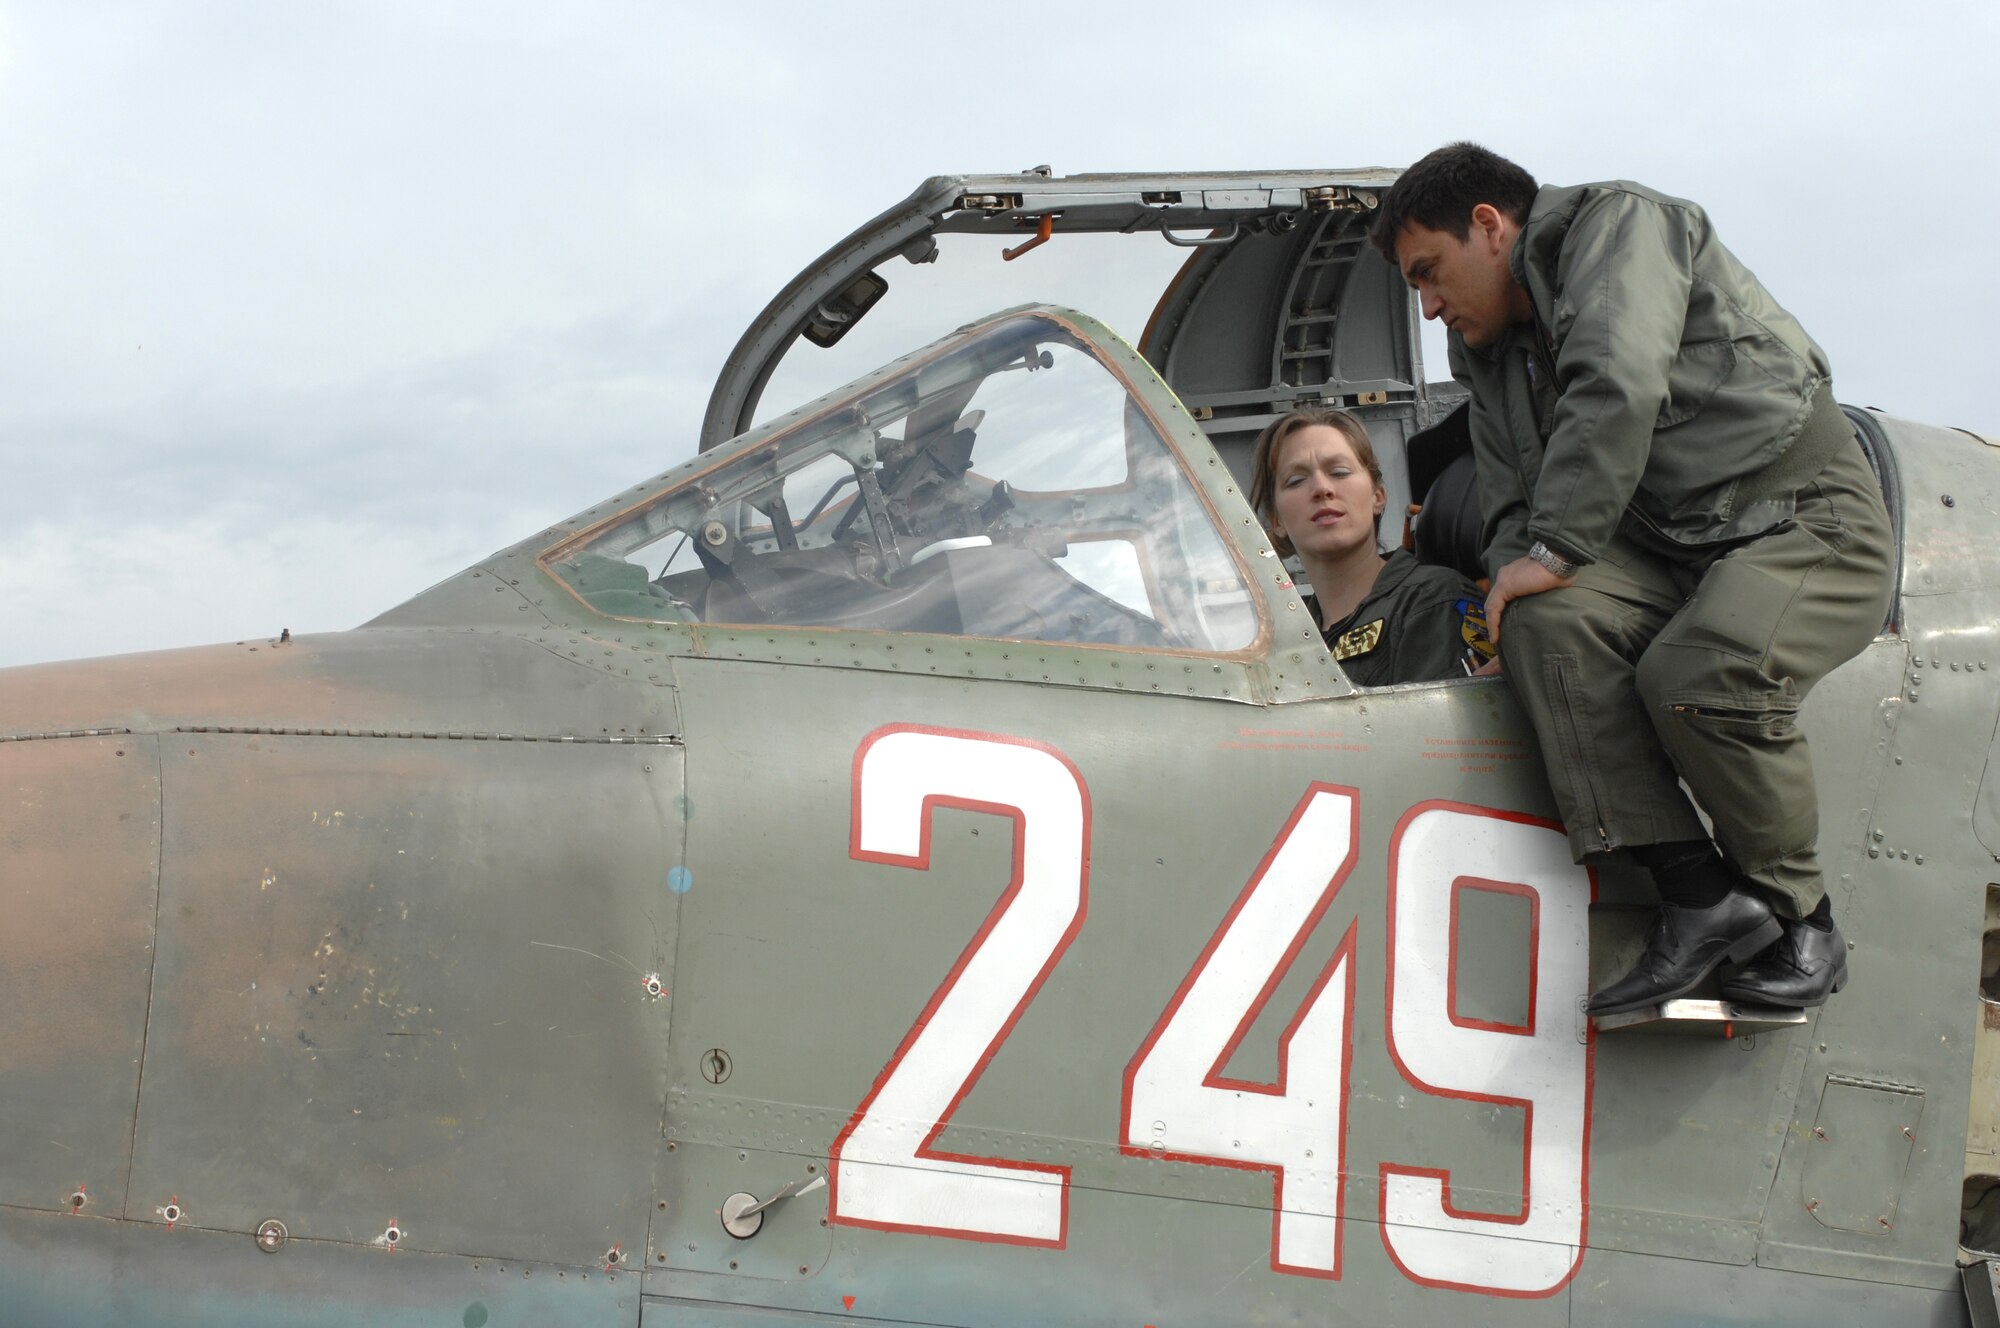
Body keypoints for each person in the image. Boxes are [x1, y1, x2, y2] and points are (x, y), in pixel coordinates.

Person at [1369, 143, 1895, 1015]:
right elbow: (1508, 500)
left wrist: (1559, 548)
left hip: (1802, 517)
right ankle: (1700, 897)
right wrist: (1510, 597)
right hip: (1673, 552)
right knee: (1547, 626)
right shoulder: (1487, 351)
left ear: (1491, 228)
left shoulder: (1620, 226)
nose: (1428, 308)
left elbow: (1616, 379)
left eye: (1430, 273)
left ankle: (1806, 915)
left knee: (1700, 673)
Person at [1249, 406, 1491, 686]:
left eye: (1339, 472)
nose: (1322, 488)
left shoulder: (1431, 603)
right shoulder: (1288, 646)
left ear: (1378, 496)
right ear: (1276, 520)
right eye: (1297, 480)